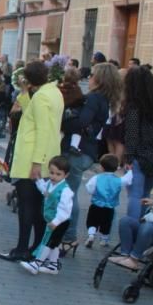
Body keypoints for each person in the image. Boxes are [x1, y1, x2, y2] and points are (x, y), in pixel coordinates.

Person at [0, 61, 65, 262]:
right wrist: (25, 93)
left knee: (28, 207)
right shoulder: (52, 92)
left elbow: (42, 129)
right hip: (45, 155)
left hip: (32, 158)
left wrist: (37, 162)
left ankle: (23, 248)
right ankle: (35, 248)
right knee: (37, 207)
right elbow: (34, 116)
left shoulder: (43, 96)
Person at [60, 62, 118, 245]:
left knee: (69, 194)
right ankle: (67, 235)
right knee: (69, 192)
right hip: (87, 151)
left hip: (79, 151)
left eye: (92, 75)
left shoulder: (94, 98)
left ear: (99, 79)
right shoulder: (105, 99)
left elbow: (82, 122)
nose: (89, 78)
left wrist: (65, 117)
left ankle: (69, 237)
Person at [20, 156, 73, 275]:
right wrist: (38, 180)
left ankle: (36, 263)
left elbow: (65, 210)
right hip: (52, 220)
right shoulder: (51, 183)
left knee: (47, 243)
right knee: (54, 244)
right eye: (51, 173)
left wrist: (56, 222)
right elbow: (44, 190)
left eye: (58, 174)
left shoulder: (65, 191)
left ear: (66, 175)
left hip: (60, 222)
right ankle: (53, 265)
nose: (53, 176)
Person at [120, 66, 153, 220]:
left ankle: (131, 229)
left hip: (138, 156)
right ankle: (139, 227)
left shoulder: (133, 107)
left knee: (135, 195)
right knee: (145, 195)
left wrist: (129, 157)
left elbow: (132, 134)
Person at [85, 154, 133, 249]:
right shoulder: (118, 180)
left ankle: (91, 235)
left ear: (102, 167)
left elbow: (89, 188)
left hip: (95, 205)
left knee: (92, 221)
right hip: (110, 207)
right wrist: (130, 170)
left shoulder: (96, 178)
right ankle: (104, 239)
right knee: (106, 224)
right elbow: (127, 180)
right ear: (116, 168)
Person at [111, 193, 153, 270]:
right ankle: (125, 255)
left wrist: (148, 217)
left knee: (148, 226)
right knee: (125, 221)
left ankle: (134, 259)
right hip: (149, 228)